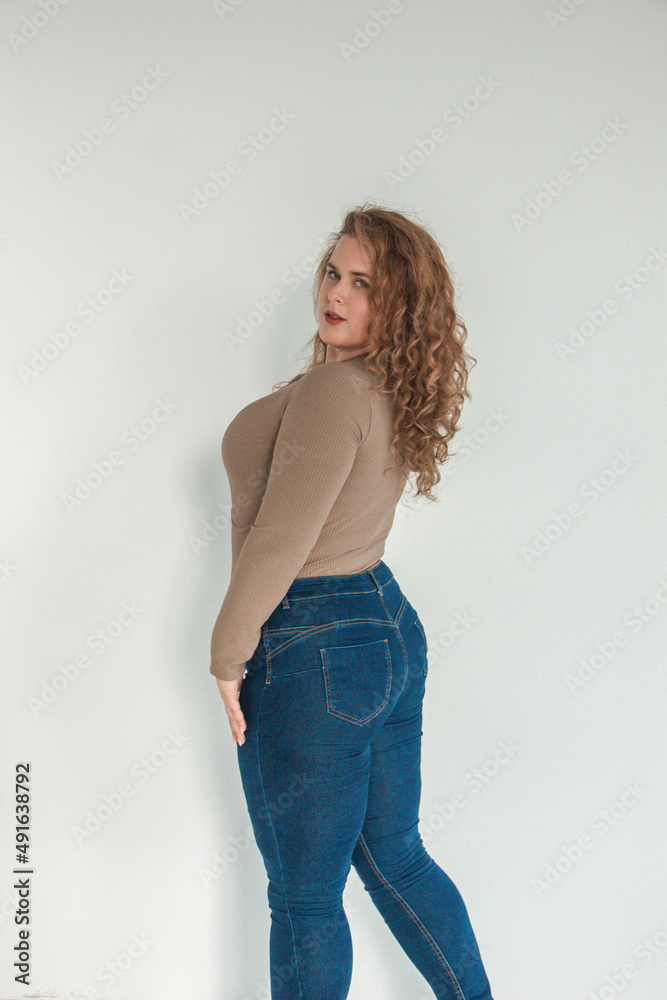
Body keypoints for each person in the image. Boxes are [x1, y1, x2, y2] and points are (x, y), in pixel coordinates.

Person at [209, 204, 495, 999]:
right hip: (383, 630)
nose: (335, 292)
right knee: (397, 857)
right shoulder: (380, 383)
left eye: (363, 283)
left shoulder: (336, 390)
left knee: (304, 898)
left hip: (313, 642)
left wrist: (227, 655)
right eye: (333, 272)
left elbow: (280, 542)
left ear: (398, 302)